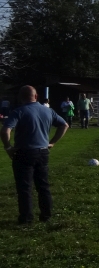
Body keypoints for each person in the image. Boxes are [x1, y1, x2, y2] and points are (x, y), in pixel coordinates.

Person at [1, 85, 69, 224]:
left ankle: (26, 219)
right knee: (43, 186)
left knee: (24, 188)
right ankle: (46, 215)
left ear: (20, 97)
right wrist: (52, 142)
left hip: (24, 153)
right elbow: (64, 125)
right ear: (36, 96)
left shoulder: (18, 111)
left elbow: (5, 130)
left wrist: (8, 147)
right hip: (43, 152)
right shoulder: (48, 110)